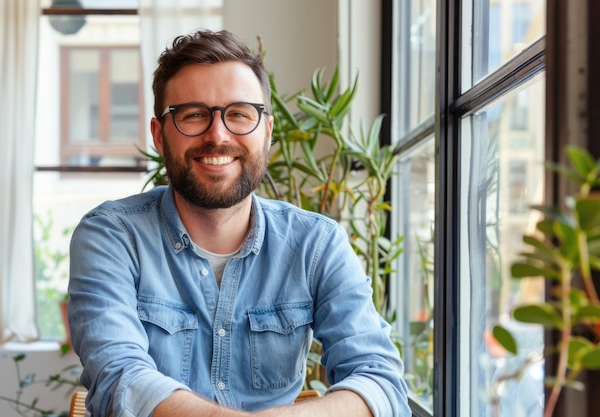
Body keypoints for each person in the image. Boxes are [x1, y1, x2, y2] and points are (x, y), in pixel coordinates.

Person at [68, 29, 410, 417]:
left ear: (266, 131)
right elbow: (121, 379)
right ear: (160, 136)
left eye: (239, 115)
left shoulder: (317, 243)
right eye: (194, 115)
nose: (218, 135)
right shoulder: (111, 236)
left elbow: (379, 381)